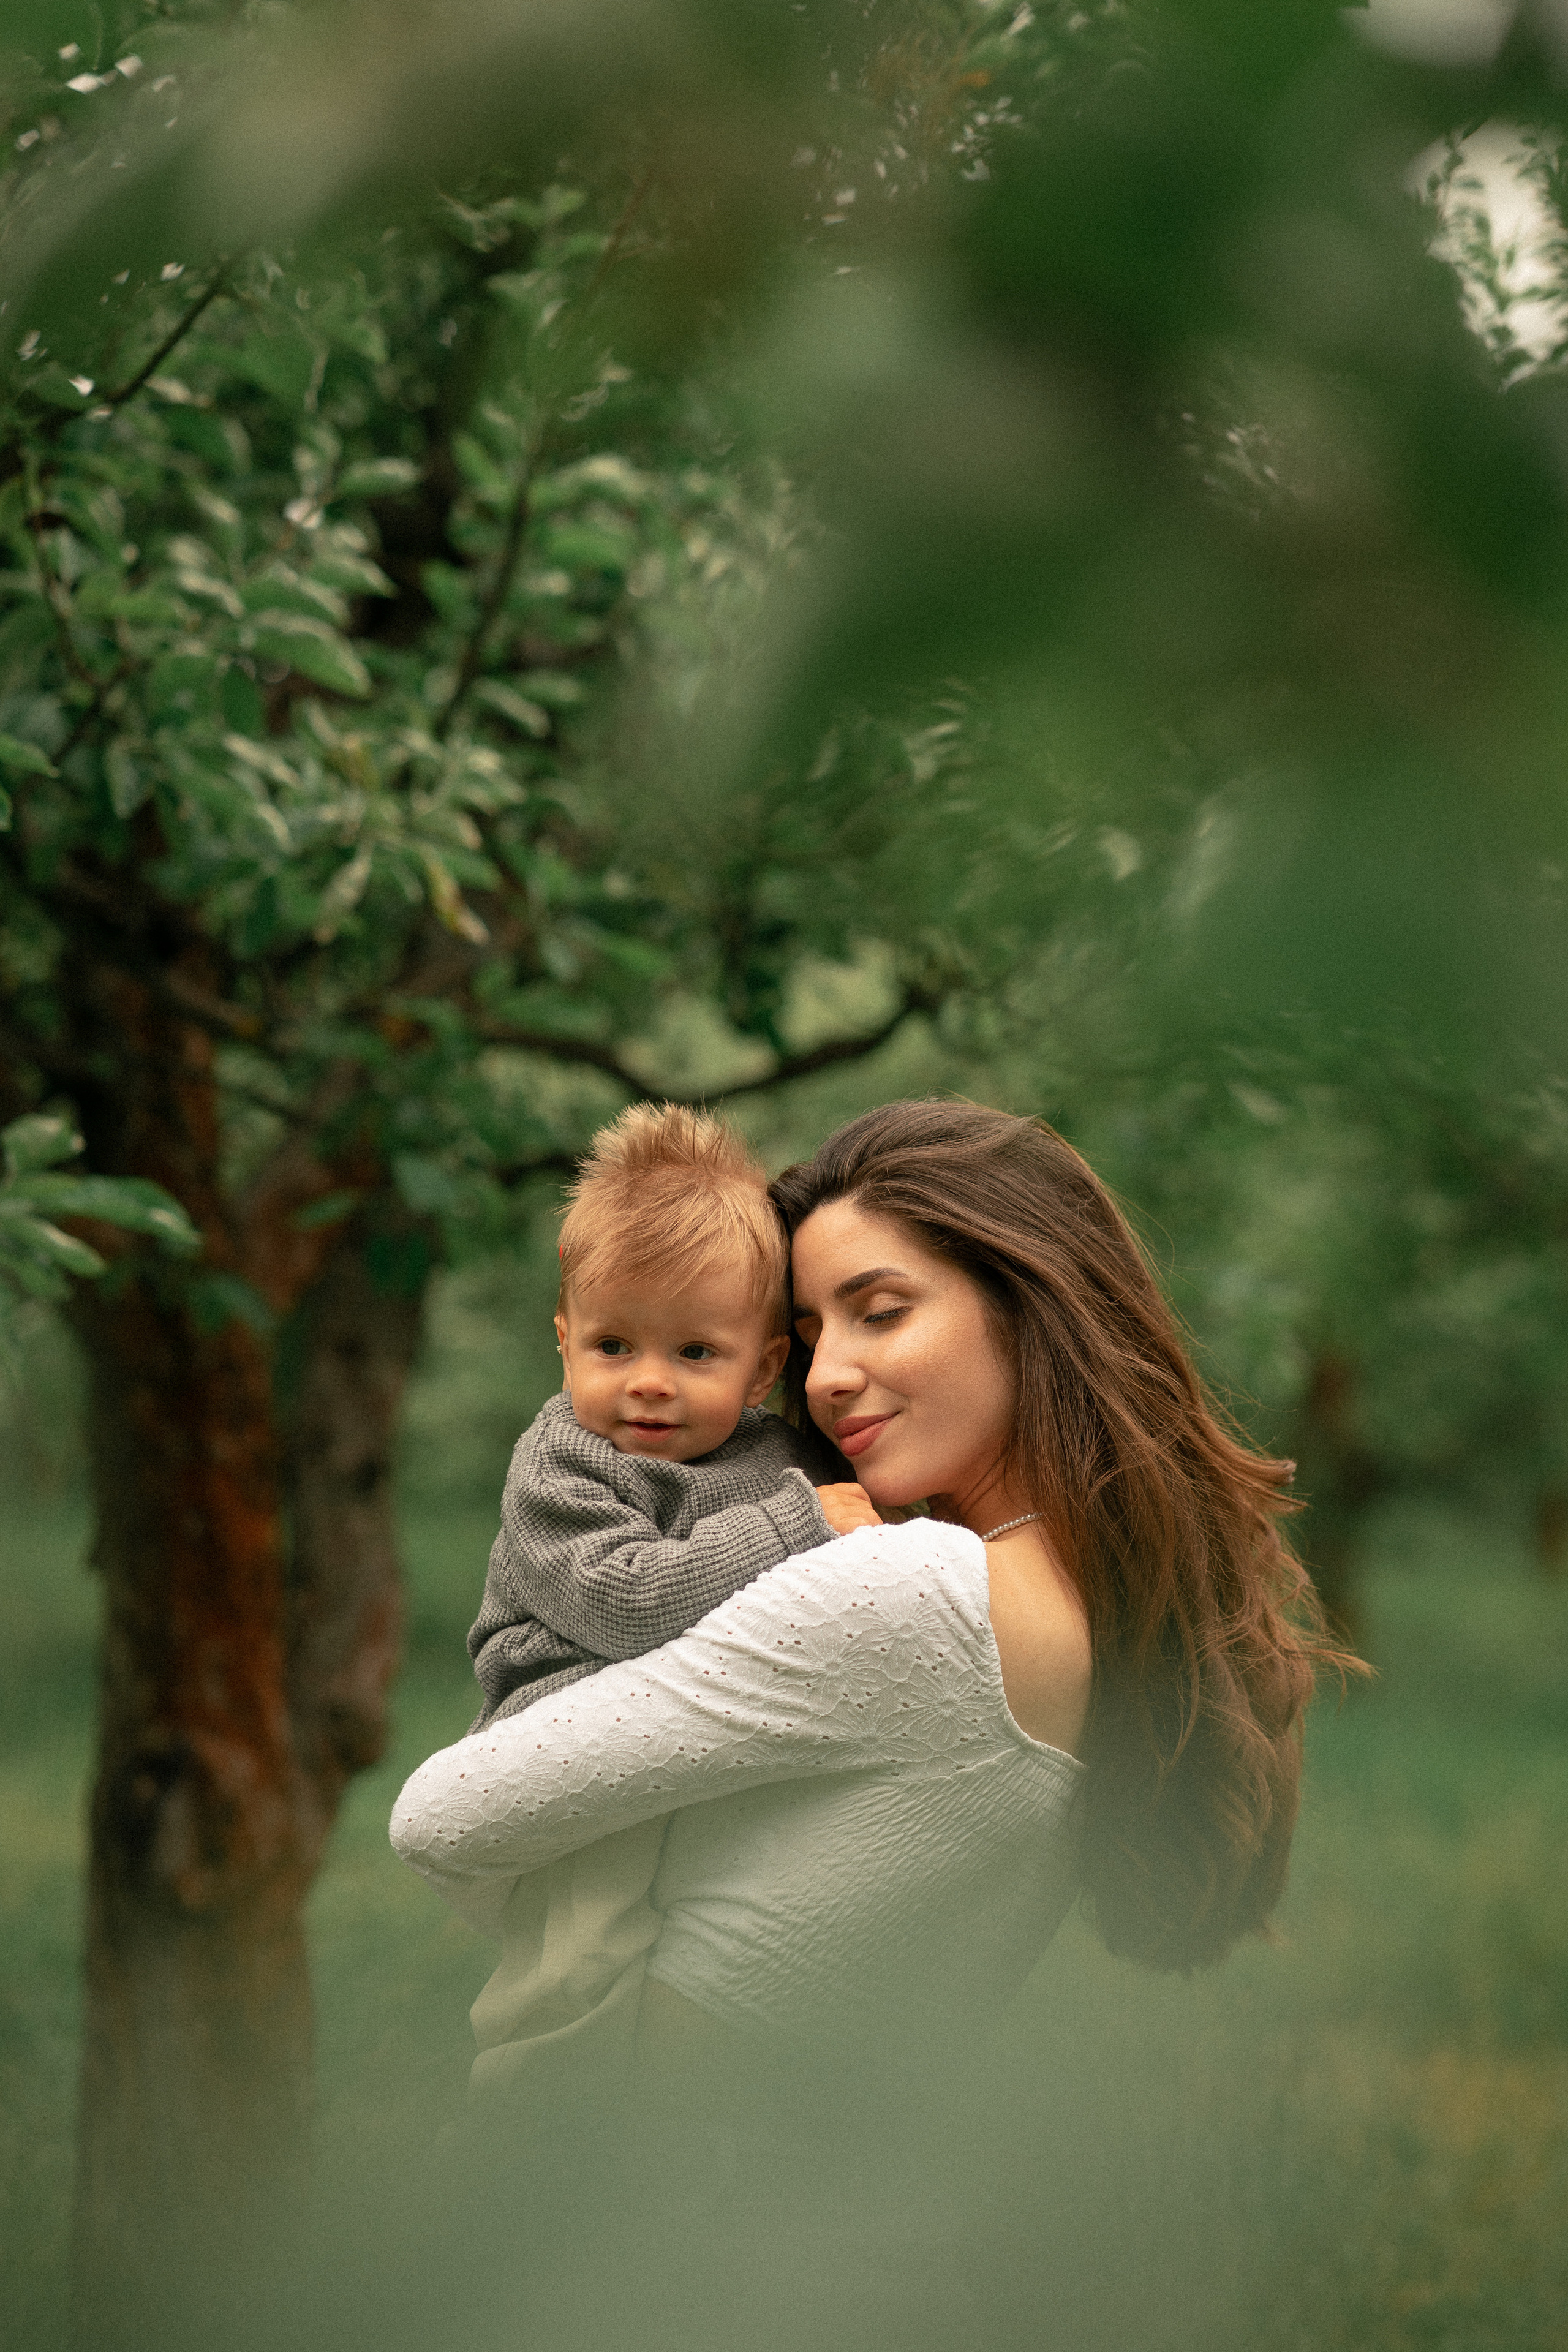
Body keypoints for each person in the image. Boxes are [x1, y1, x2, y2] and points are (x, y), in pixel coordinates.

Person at [394, 1098, 1340, 2084]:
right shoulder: (1101, 1608)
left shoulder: (911, 1590)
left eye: (881, 1312)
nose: (826, 1379)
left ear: (1030, 1305)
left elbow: (441, 1817)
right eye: (810, 1336)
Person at [456, 1101, 859, 2095]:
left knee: (709, 1946)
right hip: (574, 1738)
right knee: (579, 1961)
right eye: (613, 1347)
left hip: (703, 1734)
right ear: (564, 1343)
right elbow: (622, 1602)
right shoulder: (565, 1462)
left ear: (765, 1367)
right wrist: (796, 1527)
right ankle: (523, 2140)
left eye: (694, 1354)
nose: (648, 1384)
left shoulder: (780, 1456)